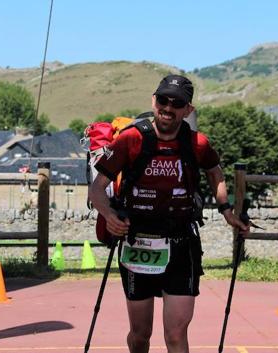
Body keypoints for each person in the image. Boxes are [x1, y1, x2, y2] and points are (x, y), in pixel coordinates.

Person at [88, 74, 250, 353]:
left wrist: (226, 209)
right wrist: (109, 216)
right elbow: (97, 188)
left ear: (188, 109)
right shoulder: (131, 140)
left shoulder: (197, 143)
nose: (168, 107)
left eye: (177, 103)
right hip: (136, 242)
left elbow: (215, 171)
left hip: (181, 244)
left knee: (176, 335)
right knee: (140, 335)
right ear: (154, 101)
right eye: (163, 100)